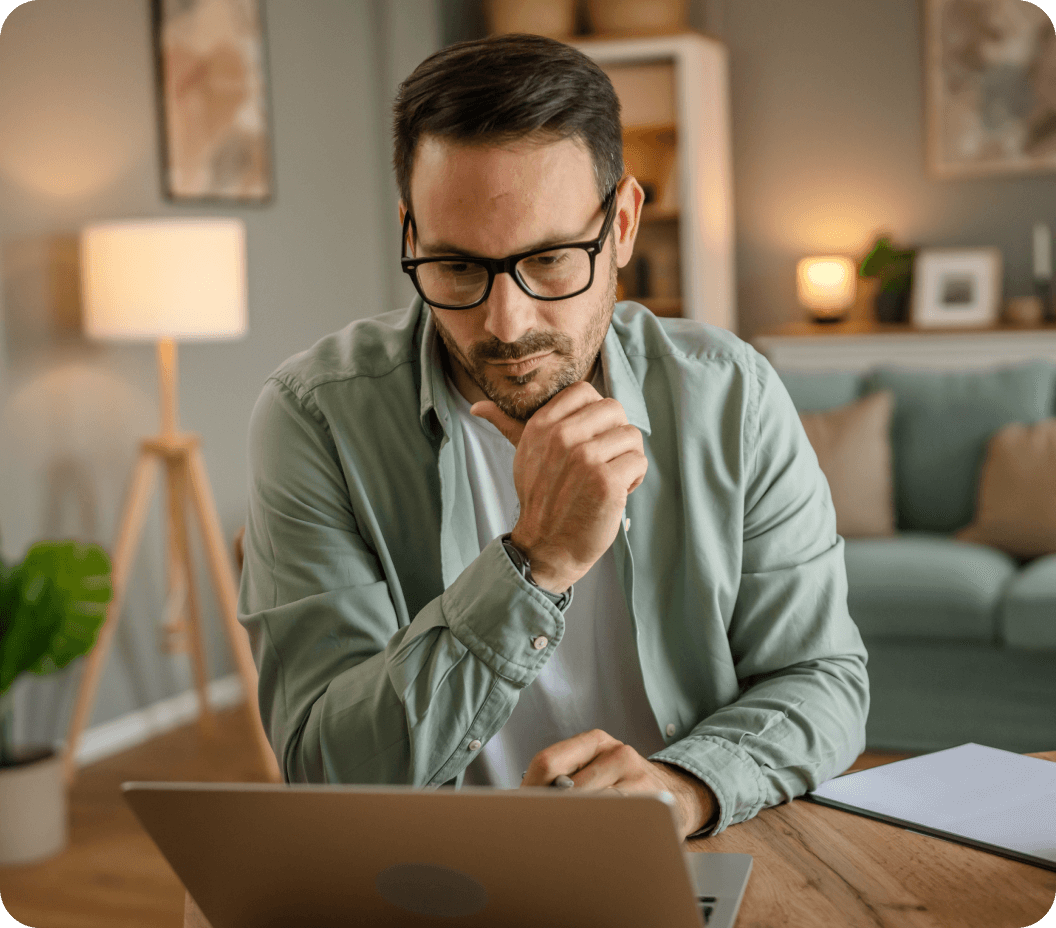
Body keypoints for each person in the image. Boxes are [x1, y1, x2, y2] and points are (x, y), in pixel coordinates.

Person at [239, 33, 869, 840]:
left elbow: (822, 679)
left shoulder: (730, 394)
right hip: (436, 873)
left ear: (625, 226)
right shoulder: (314, 417)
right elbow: (328, 768)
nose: (506, 323)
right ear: (410, 234)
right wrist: (532, 563)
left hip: (686, 856)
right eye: (457, 267)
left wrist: (683, 786)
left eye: (550, 259)